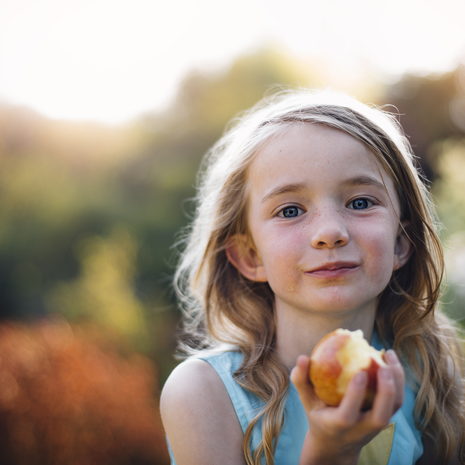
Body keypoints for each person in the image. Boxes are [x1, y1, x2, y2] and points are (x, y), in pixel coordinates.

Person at [160, 89, 465, 465]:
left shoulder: (428, 375)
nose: (330, 231)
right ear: (250, 256)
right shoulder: (203, 394)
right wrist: (331, 454)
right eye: (290, 210)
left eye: (360, 202)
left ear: (402, 242)